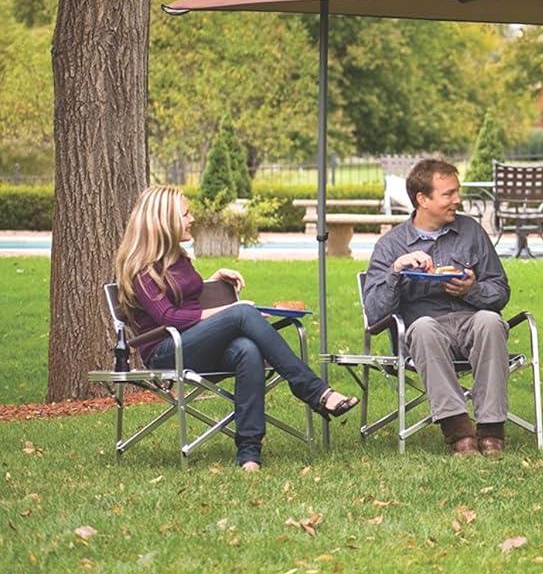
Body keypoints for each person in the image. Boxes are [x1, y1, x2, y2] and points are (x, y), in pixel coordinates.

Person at [115, 185, 359, 471]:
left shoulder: (177, 257)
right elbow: (169, 317)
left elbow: (183, 300)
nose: (192, 219)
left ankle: (249, 453)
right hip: (166, 350)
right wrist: (229, 310)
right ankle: (315, 391)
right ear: (163, 221)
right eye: (185, 214)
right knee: (243, 312)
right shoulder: (141, 268)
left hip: (193, 344)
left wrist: (211, 282)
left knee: (247, 349)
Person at [363, 159, 512, 457]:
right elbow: (375, 313)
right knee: (423, 327)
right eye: (449, 194)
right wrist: (396, 272)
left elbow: (500, 291)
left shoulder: (471, 232)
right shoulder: (391, 245)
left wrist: (473, 290)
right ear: (423, 199)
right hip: (425, 330)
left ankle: (491, 431)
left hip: (471, 323)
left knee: (491, 321)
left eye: (457, 192)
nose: (458, 200)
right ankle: (459, 433)